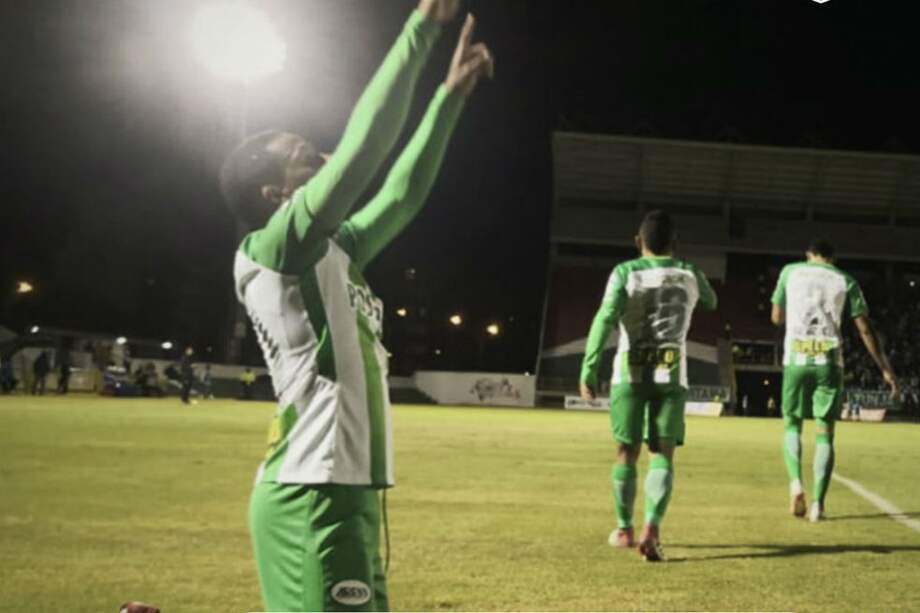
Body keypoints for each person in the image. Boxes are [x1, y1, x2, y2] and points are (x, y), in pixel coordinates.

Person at [219, 1, 493, 609]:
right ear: (275, 194)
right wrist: (421, 31)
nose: (322, 155)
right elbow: (363, 152)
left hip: (347, 487)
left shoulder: (333, 252)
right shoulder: (276, 248)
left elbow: (400, 196)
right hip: (312, 492)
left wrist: (447, 100)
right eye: (305, 155)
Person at [579, 210, 717, 562]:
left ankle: (624, 529)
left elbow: (605, 317)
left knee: (626, 452)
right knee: (662, 454)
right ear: (675, 242)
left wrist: (589, 367)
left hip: (629, 373)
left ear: (637, 241)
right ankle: (652, 527)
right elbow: (712, 301)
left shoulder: (625, 272)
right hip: (671, 375)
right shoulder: (690, 272)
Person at [771, 238, 898, 522]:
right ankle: (819, 505)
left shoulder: (790, 271)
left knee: (792, 424)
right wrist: (885, 368)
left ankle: (796, 485)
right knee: (825, 433)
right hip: (829, 362)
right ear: (833, 258)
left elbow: (776, 317)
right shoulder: (846, 280)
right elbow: (865, 330)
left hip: (796, 359)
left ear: (809, 254)